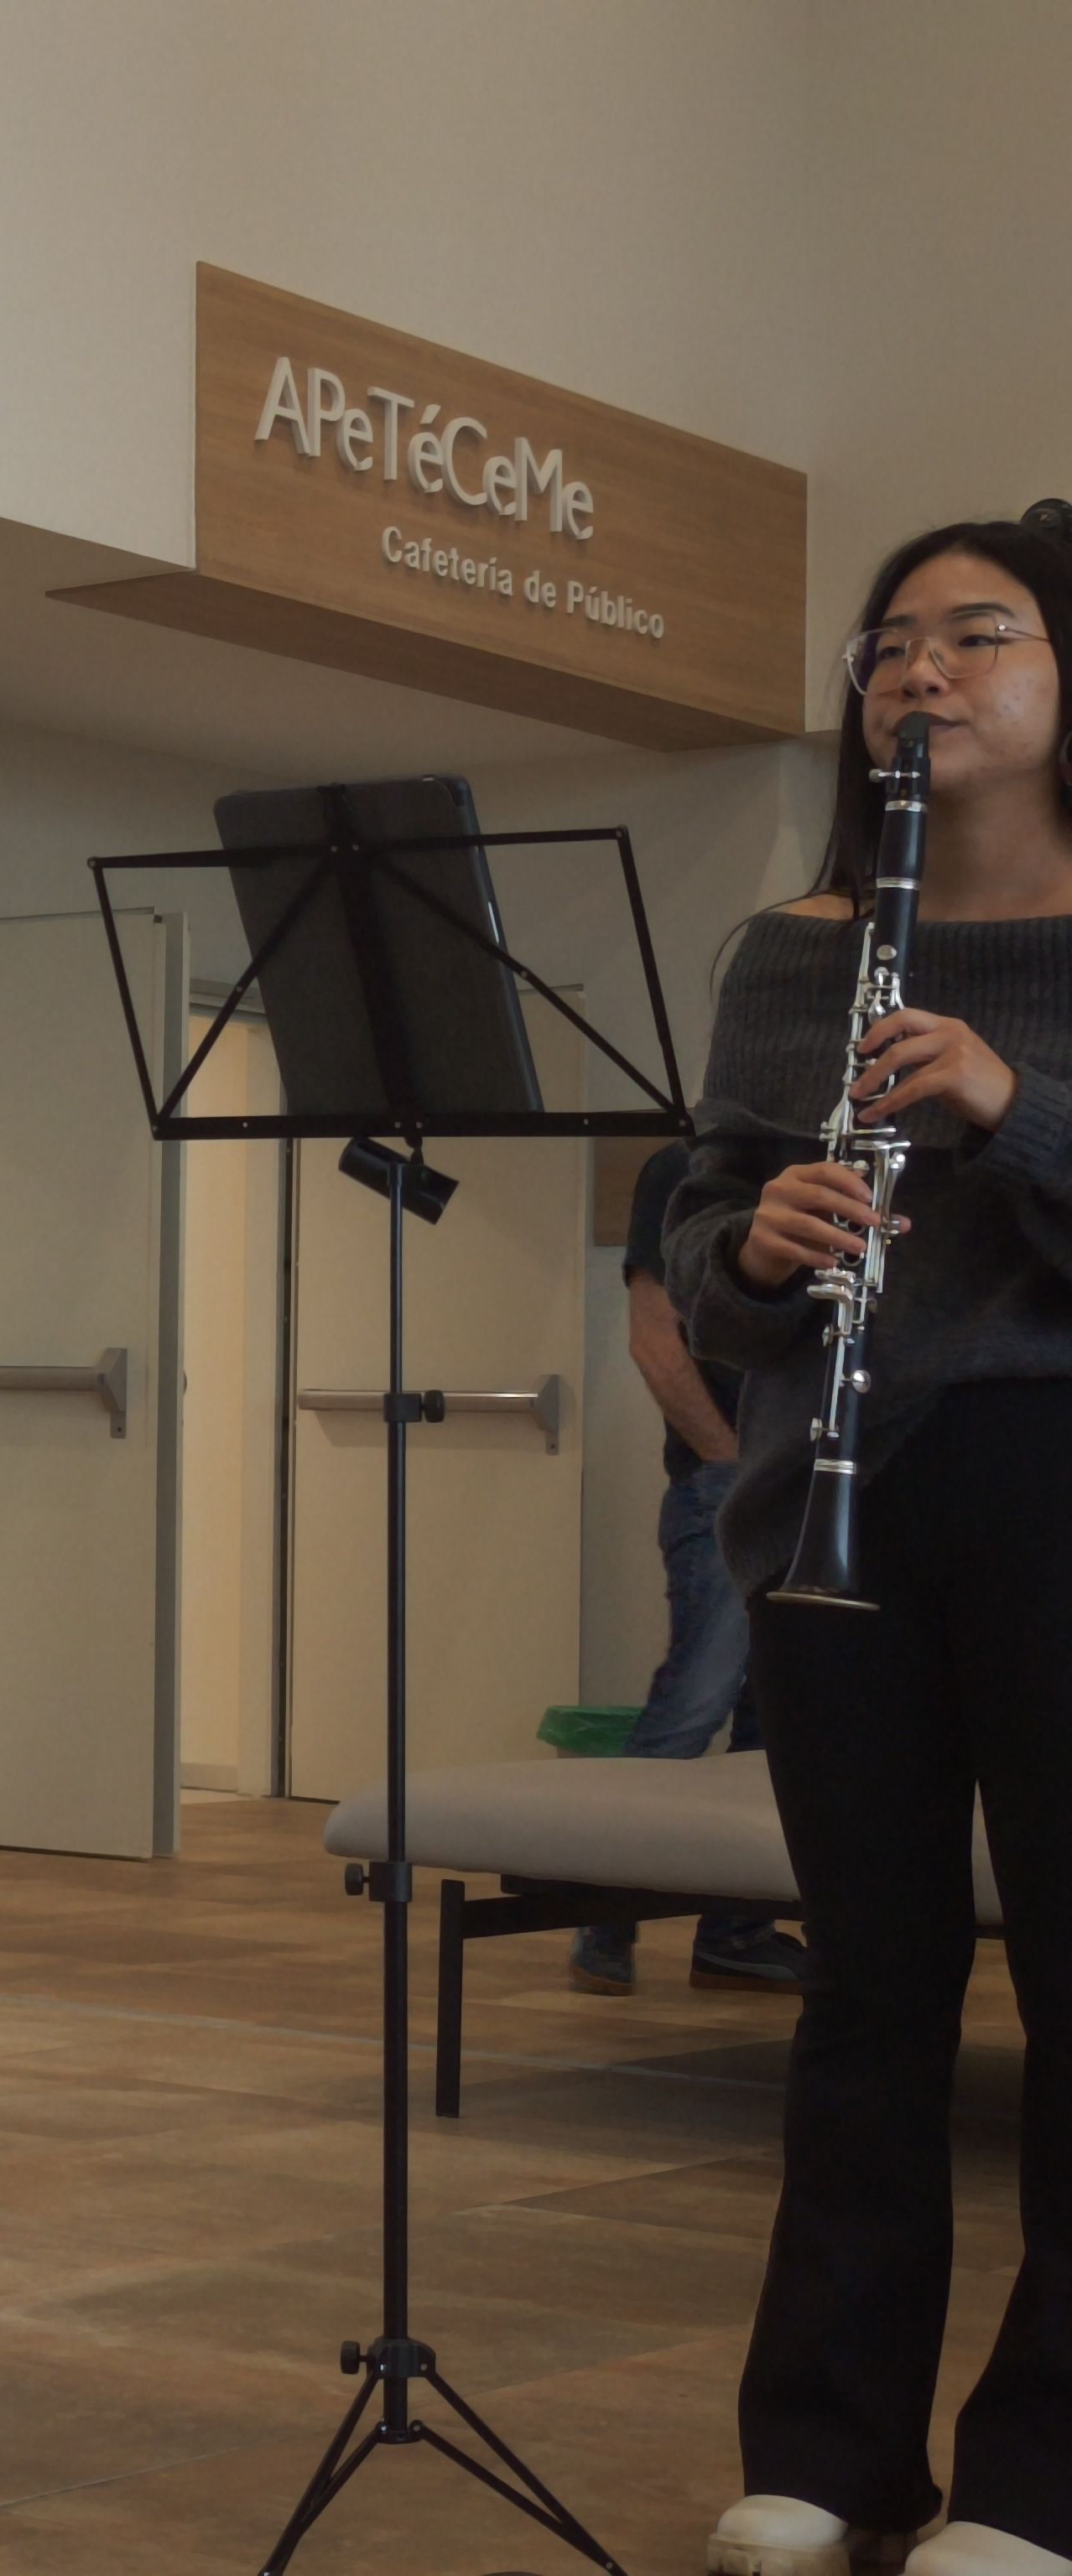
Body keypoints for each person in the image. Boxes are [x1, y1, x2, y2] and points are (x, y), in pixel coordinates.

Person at [669, 518, 1072, 2576]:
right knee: (867, 1992)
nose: (924, 669)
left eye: (977, 632)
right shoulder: (796, 948)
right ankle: (826, 2447)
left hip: (1052, 1485)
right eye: (889, 642)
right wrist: (752, 1240)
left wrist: (1012, 1100)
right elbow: (699, 1222)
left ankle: (1039, 2475)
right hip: (836, 1488)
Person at [568, 1140, 806, 1997]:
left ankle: (735, 1933)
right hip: (727, 1483)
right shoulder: (680, 1170)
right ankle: (604, 1914)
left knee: (775, 1720)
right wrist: (732, 1460)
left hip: (800, 1486)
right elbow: (655, 1342)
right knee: (693, 1703)